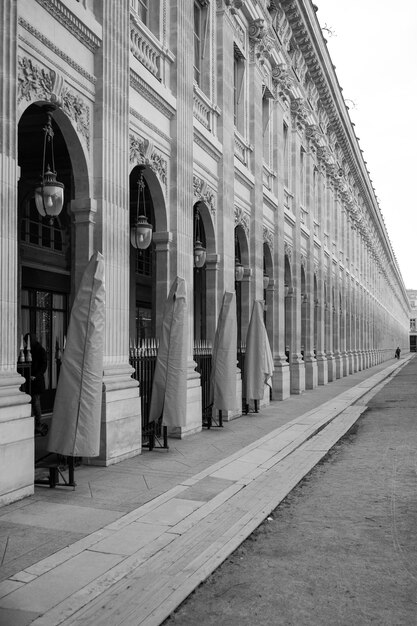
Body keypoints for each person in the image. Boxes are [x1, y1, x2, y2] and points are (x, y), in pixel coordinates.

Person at [24, 333, 47, 433]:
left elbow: (43, 365)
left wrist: (36, 376)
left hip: (36, 380)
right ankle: (32, 421)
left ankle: (38, 423)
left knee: (35, 401)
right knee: (31, 401)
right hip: (28, 379)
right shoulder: (26, 350)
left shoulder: (40, 350)